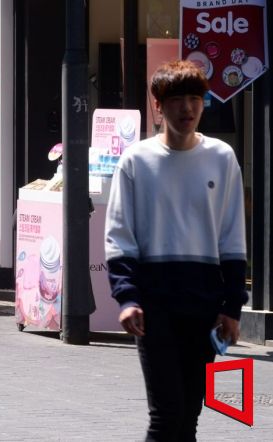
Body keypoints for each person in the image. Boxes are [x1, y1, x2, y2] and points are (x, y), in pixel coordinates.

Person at [104, 60, 248, 441]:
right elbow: (120, 236)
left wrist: (231, 307)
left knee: (189, 416)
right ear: (159, 105)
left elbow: (232, 240)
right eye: (178, 100)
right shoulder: (136, 161)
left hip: (203, 303)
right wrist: (128, 298)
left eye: (195, 99)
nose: (187, 108)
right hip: (155, 305)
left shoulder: (222, 158)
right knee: (166, 415)